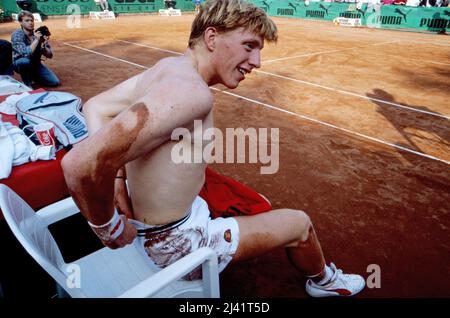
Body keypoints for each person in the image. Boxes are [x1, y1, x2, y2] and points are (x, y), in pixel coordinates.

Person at [62, 0, 365, 297]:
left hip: (157, 223)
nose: (257, 61)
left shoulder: (167, 67)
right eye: (249, 46)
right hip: (175, 246)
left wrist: (117, 178)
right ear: (211, 37)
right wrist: (110, 228)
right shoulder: (192, 92)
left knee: (246, 198)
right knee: (299, 223)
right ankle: (324, 281)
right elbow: (80, 164)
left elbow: (97, 107)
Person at [11, 11, 59, 88]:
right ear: (20, 22)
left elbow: (49, 55)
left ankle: (33, 75)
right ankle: (27, 84)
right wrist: (36, 40)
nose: (30, 23)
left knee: (54, 82)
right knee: (24, 61)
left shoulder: (38, 33)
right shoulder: (17, 35)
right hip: (19, 62)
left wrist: (43, 46)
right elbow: (25, 53)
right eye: (27, 21)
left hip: (35, 63)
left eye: (32, 20)